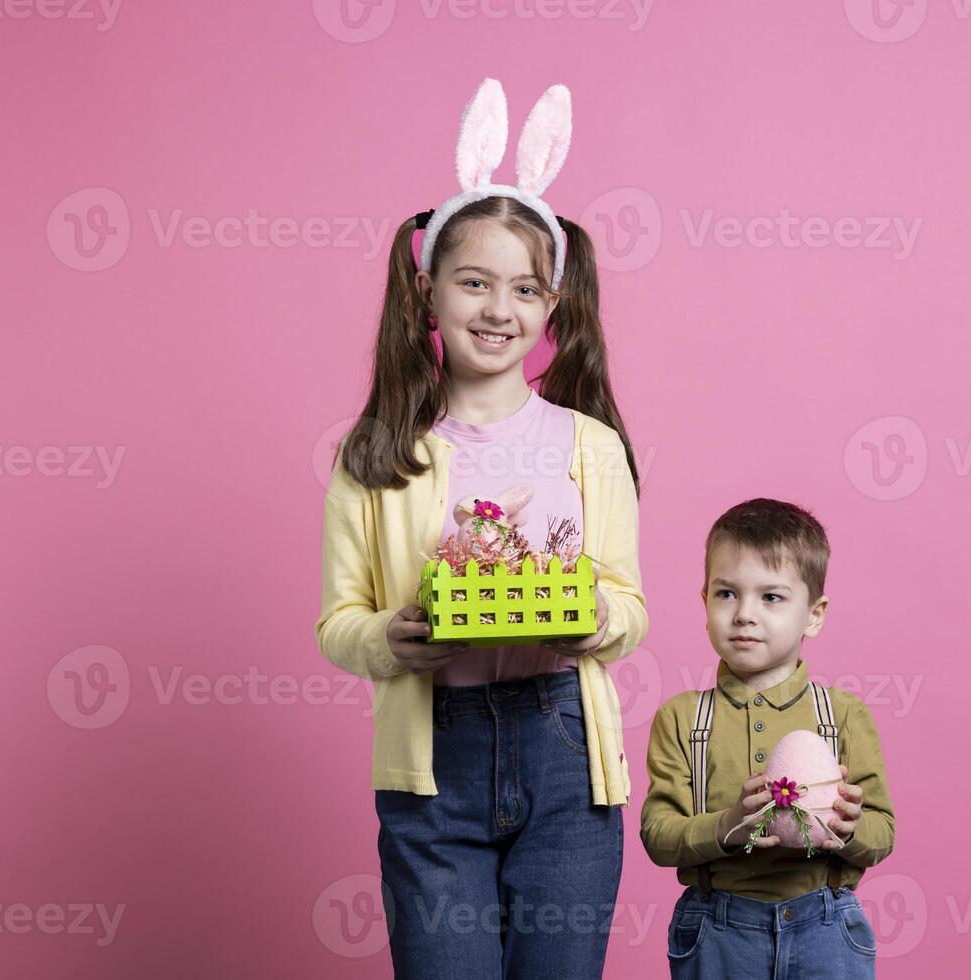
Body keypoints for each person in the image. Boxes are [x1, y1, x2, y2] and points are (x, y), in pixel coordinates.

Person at [316, 78, 647, 979]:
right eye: (474, 283)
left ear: (554, 308)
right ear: (428, 292)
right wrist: (389, 638)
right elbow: (337, 620)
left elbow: (627, 601)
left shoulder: (590, 447)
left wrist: (596, 623)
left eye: (525, 290)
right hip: (433, 764)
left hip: (566, 759)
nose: (499, 310)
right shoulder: (380, 451)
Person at [640, 498, 895, 978]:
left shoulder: (843, 715)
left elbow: (883, 832)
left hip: (824, 925)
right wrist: (729, 825)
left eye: (771, 597)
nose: (744, 615)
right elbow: (657, 835)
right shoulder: (681, 717)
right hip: (718, 931)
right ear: (705, 602)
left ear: (813, 615)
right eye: (726, 594)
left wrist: (848, 830)